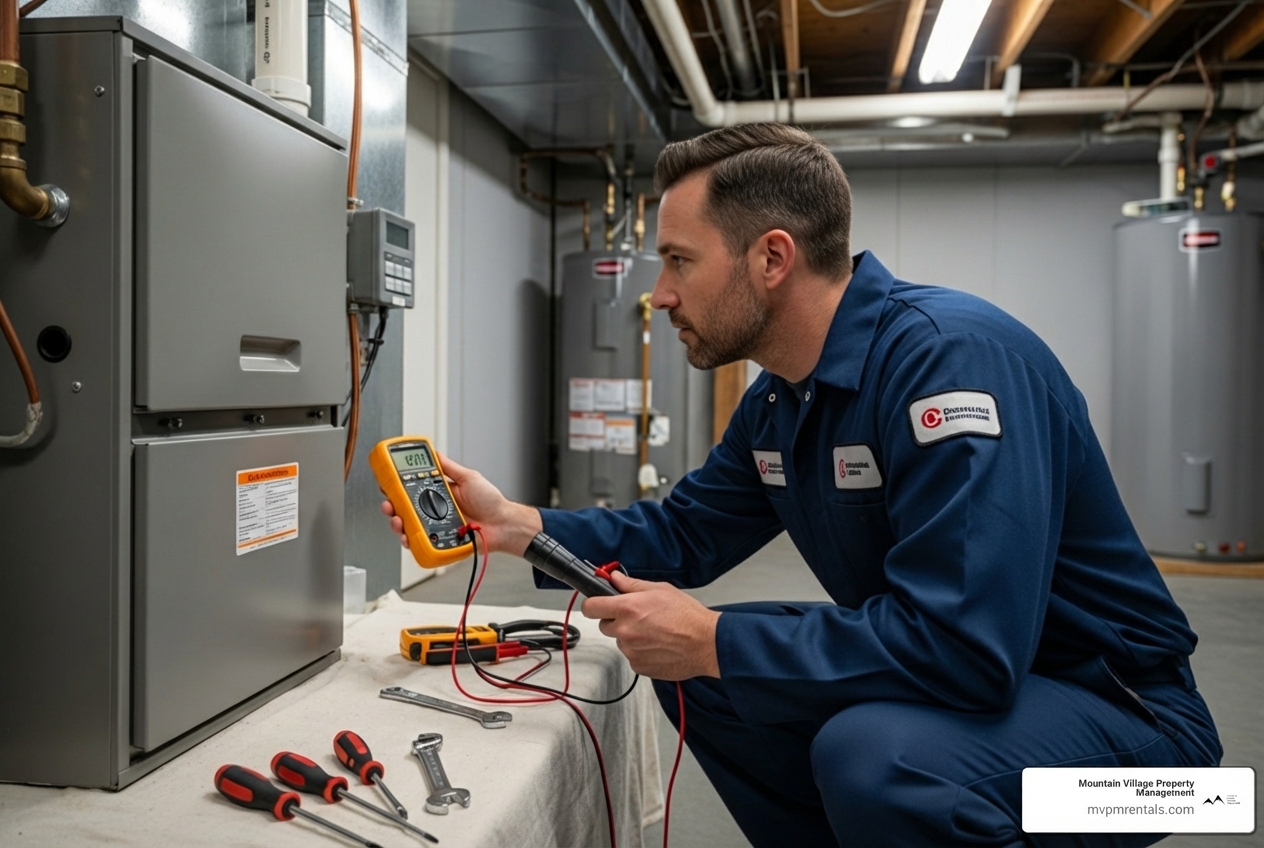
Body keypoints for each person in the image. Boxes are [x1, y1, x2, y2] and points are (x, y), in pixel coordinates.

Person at [382, 123, 1221, 847]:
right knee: (705, 671)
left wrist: (714, 639)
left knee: (872, 755)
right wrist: (521, 524)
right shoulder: (783, 402)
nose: (660, 293)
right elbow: (683, 536)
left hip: (1141, 746)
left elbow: (968, 652)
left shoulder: (950, 365)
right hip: (991, 696)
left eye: (678, 260)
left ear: (772, 257)